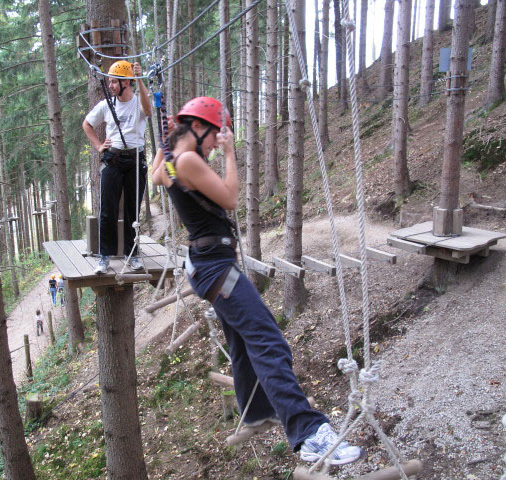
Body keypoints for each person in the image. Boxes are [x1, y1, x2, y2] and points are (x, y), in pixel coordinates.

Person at [151, 97, 362, 466]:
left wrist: (166, 144)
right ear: (199, 128)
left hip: (208, 266)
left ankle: (257, 410)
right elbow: (231, 198)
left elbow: (156, 176)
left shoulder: (171, 161)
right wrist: (231, 155)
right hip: (216, 267)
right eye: (217, 134)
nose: (219, 142)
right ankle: (309, 433)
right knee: (268, 340)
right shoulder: (186, 160)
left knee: (245, 340)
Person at [83, 60, 152, 275]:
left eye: (115, 81)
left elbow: (148, 109)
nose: (111, 85)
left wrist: (140, 79)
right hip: (112, 159)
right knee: (108, 210)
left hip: (135, 159)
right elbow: (87, 124)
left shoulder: (138, 102)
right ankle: (105, 256)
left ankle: (132, 255)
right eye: (110, 81)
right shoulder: (106, 105)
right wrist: (98, 146)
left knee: (133, 212)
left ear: (127, 83)